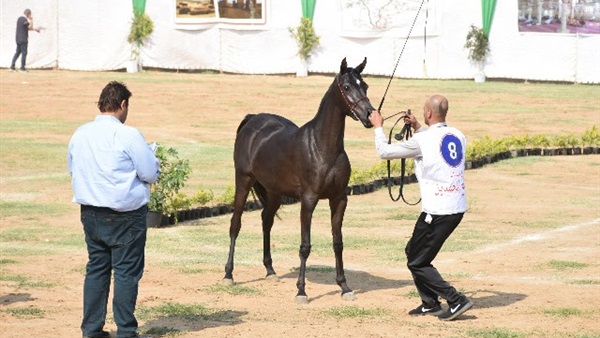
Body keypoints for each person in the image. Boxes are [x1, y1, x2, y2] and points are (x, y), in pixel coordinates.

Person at [368, 94, 473, 321]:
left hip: (437, 212)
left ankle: (455, 300)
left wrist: (378, 127)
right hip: (455, 207)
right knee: (413, 252)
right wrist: (416, 126)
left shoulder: (423, 141)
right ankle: (429, 302)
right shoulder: (457, 134)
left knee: (418, 261)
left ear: (428, 113)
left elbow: (384, 152)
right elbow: (433, 143)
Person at [68, 81, 160, 338]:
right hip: (125, 215)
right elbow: (149, 173)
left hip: (90, 212)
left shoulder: (80, 133)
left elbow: (73, 169)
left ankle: (91, 330)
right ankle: (126, 331)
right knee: (126, 272)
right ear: (123, 104)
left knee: (97, 268)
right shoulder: (128, 134)